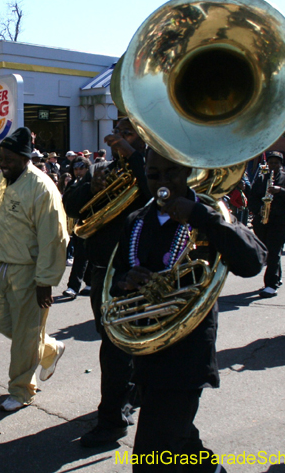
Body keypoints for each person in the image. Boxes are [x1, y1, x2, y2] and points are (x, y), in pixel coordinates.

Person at [111, 148, 266, 473]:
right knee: (181, 441)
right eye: (154, 176)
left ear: (188, 173)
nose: (162, 183)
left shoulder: (210, 214)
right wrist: (127, 280)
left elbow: (252, 262)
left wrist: (200, 216)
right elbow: (114, 284)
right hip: (148, 352)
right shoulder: (136, 221)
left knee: (151, 458)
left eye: (172, 174)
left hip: (188, 355)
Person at [63, 117, 151, 447]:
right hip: (102, 270)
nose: (118, 138)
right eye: (118, 131)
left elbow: (156, 193)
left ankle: (111, 420)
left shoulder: (152, 165)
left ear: (142, 137)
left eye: (128, 133)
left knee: (116, 350)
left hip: (133, 273)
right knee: (116, 341)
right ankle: (130, 396)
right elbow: (71, 205)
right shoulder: (107, 168)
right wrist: (91, 186)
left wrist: (135, 156)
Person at [0, 127, 69, 413]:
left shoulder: (42, 188)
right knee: (5, 324)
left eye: (9, 159)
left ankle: (22, 389)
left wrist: (45, 281)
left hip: (29, 271)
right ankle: (50, 349)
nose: (3, 164)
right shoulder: (2, 179)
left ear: (25, 159)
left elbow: (54, 237)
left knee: (25, 334)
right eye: (2, 158)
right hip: (1, 267)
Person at [246, 151, 285, 298]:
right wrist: (259, 209)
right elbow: (251, 198)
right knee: (268, 252)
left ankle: (271, 285)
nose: (273, 166)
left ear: (281, 165)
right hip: (263, 221)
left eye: (276, 163)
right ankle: (277, 276)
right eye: (271, 163)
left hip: (280, 221)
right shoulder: (261, 179)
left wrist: (280, 191)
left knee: (274, 252)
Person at [62, 156, 92, 299]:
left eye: (81, 168)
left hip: (92, 221)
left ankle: (88, 283)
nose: (78, 171)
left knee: (89, 255)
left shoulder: (92, 181)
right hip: (78, 222)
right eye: (75, 169)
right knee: (80, 255)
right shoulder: (72, 183)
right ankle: (73, 287)